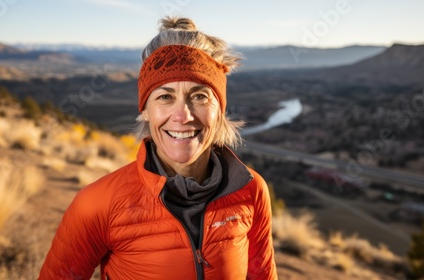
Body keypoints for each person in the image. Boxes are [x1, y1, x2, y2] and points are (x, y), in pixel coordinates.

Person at [39, 16, 277, 280]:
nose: (182, 115)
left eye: (199, 96)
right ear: (145, 110)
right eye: (165, 97)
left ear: (219, 110)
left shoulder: (251, 190)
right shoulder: (98, 203)